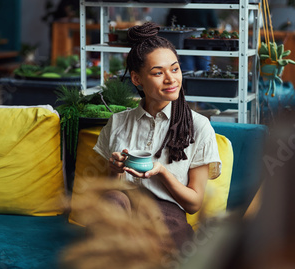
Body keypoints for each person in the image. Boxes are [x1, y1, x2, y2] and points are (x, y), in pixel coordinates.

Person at [93, 22, 222, 249]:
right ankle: (119, 257)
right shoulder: (118, 122)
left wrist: (161, 171)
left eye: (175, 69)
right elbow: (113, 190)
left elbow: (194, 204)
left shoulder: (199, 127)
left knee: (118, 242)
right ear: (136, 79)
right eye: (158, 73)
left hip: (165, 215)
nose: (171, 79)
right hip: (122, 207)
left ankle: (115, 260)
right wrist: (115, 171)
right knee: (111, 202)